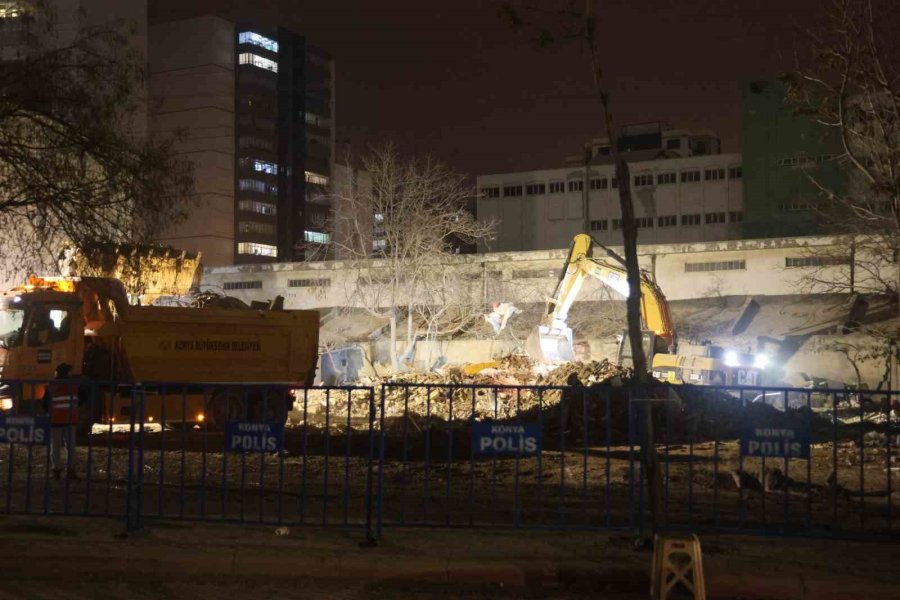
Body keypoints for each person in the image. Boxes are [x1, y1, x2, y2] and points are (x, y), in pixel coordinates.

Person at [42, 363, 81, 480]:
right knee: (71, 446)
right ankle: (71, 470)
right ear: (68, 372)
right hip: (70, 419)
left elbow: (45, 402)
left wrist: (49, 411)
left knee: (55, 446)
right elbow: (84, 396)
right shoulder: (74, 385)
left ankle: (56, 470)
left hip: (56, 419)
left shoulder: (52, 385)